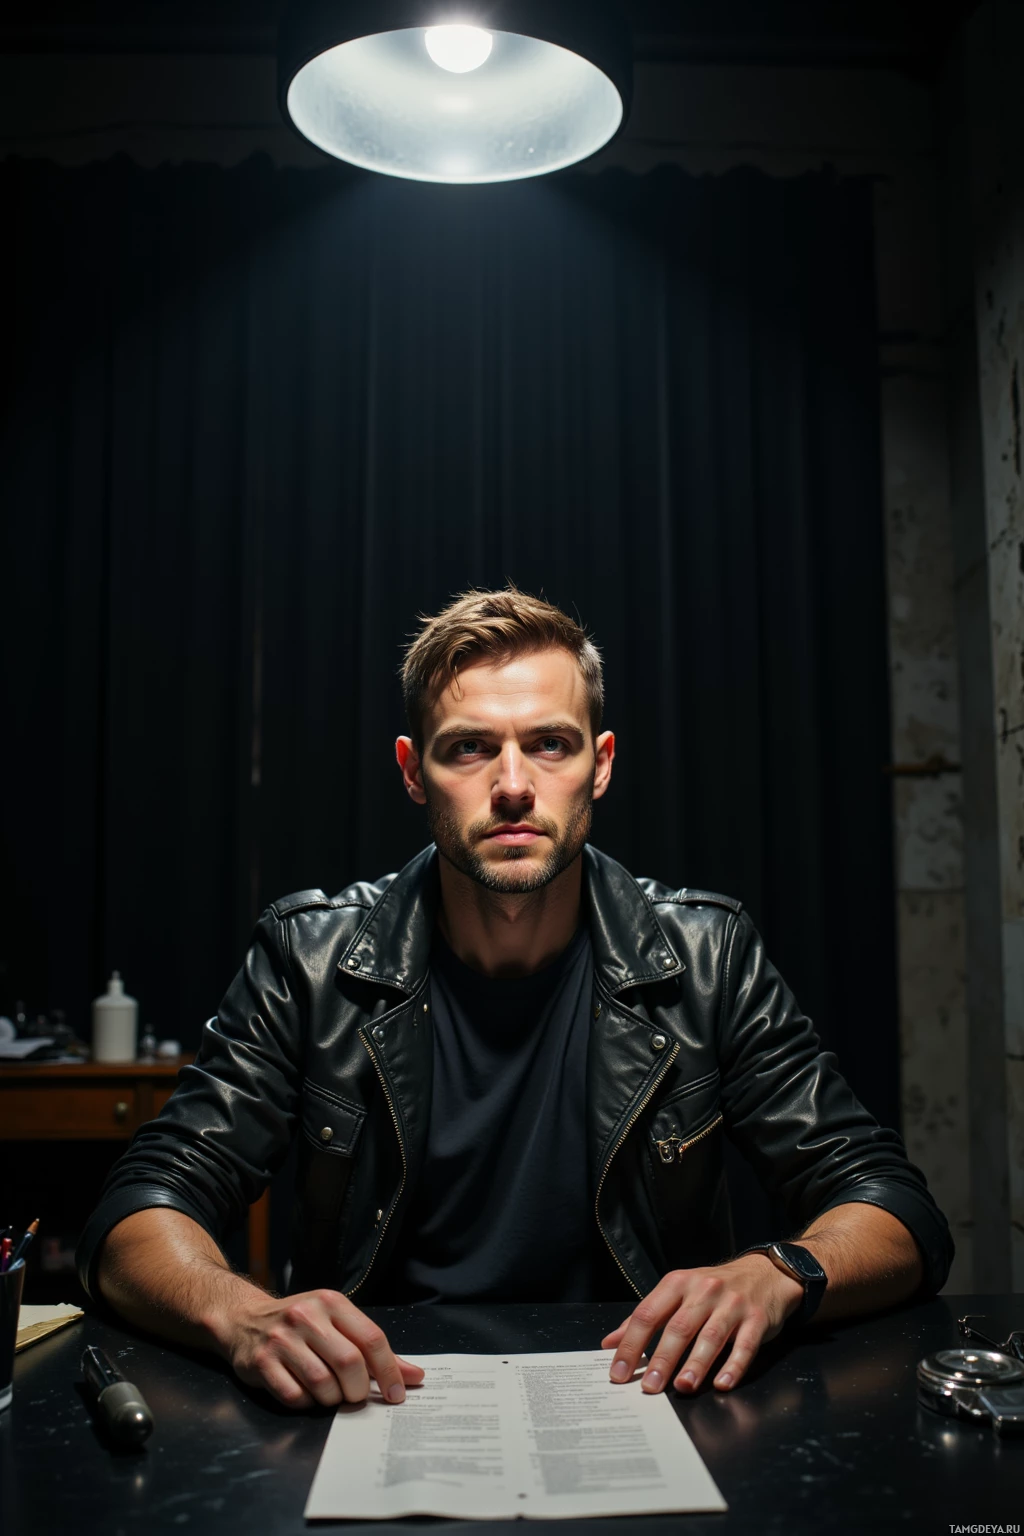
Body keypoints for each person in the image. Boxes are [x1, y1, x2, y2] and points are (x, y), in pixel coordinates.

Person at [78, 586, 952, 1412]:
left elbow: (893, 1207)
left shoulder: (705, 955)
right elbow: (141, 1208)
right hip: (380, 1396)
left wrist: (776, 1272)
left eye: (550, 743)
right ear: (414, 771)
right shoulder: (309, 958)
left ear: (599, 765)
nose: (513, 784)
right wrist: (241, 1313)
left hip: (641, 1394)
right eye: (468, 746)